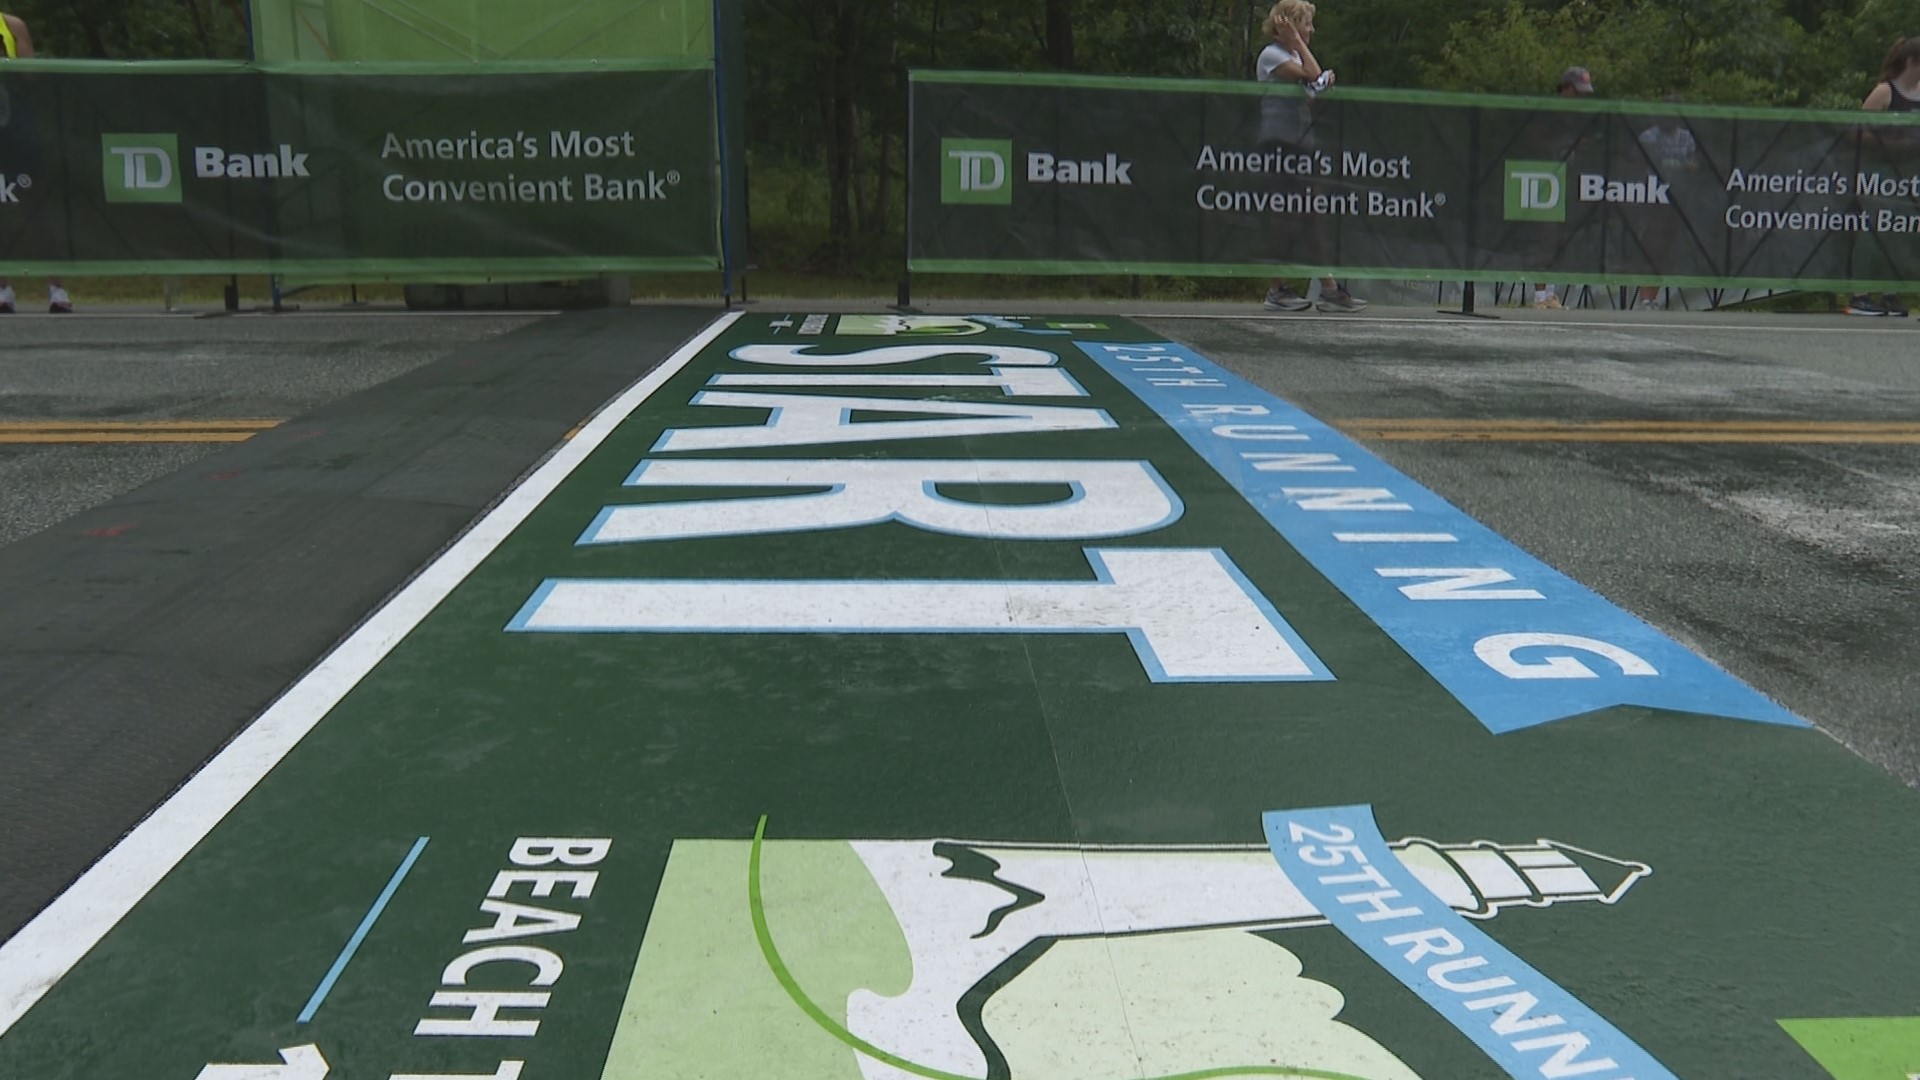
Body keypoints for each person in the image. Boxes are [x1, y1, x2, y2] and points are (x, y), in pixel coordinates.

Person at [1255, 0, 1367, 314]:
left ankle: (1328, 289)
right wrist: (1300, 47)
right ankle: (1276, 289)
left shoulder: (1293, 55)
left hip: (1301, 145)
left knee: (1313, 215)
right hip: (1279, 144)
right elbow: (1312, 73)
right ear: (1289, 26)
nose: (1312, 30)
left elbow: (1311, 95)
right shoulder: (1272, 55)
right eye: (1306, 24)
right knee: (1283, 216)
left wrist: (1320, 88)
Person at [0, 10, 71, 314]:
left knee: (37, 209)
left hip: (17, 127)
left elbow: (30, 74)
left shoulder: (13, 26)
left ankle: (57, 289)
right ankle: (3, 290)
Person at [1847, 37, 1920, 317]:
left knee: (1900, 231)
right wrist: (1894, 145)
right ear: (1912, 62)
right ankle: (1859, 294)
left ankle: (1890, 291)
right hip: (1880, 172)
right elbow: (1858, 131)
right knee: (1874, 230)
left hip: (1911, 175)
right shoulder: (1884, 92)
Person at [1532, 66, 1594, 310]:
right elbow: (1535, 141)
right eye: (1578, 92)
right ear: (1566, 88)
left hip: (1570, 180)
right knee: (1545, 236)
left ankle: (1551, 294)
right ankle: (1539, 297)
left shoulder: (1581, 117)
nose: (1582, 97)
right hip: (1545, 179)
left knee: (1561, 238)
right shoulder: (1548, 111)